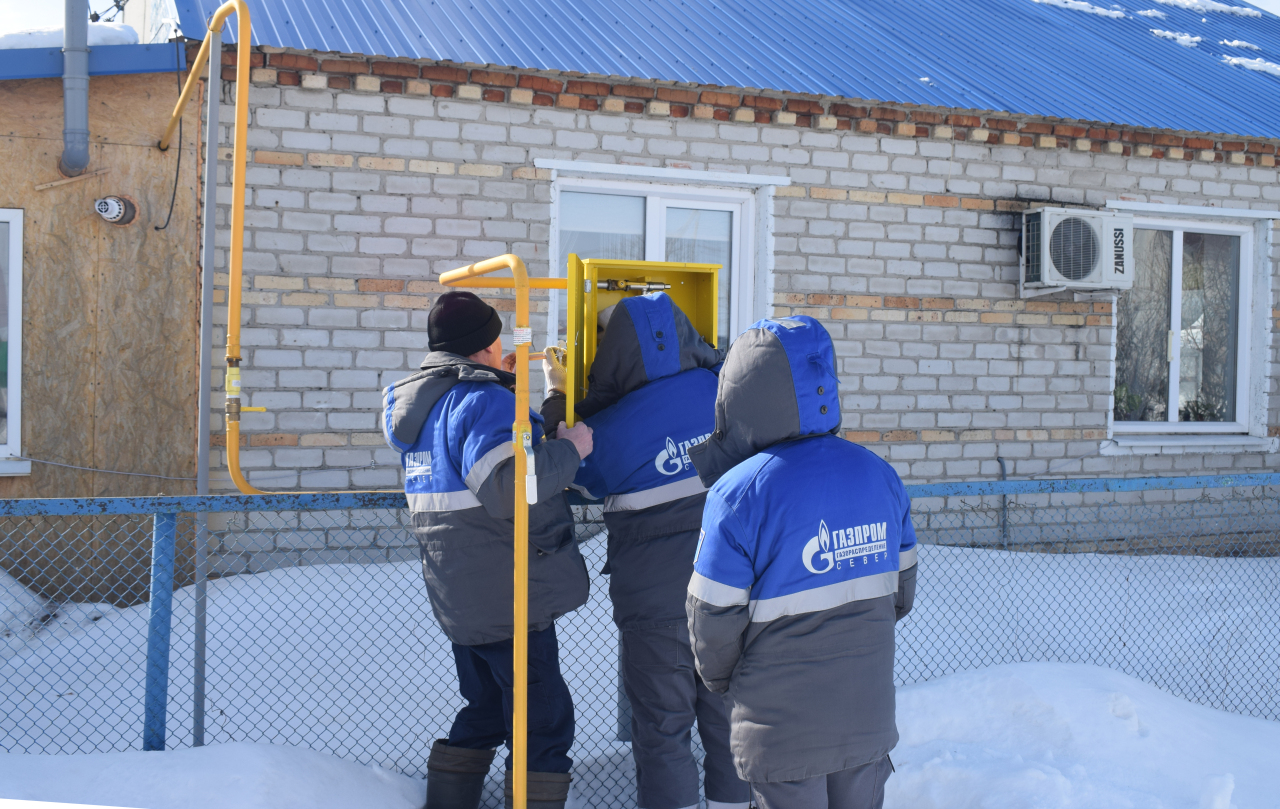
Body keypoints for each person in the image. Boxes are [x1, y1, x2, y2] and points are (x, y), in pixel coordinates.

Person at [684, 316, 919, 809]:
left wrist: (732, 684)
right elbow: (901, 596)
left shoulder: (737, 495)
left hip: (781, 728)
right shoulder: (881, 476)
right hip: (865, 718)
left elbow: (712, 627)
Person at [381, 290, 595, 809]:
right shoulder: (482, 400)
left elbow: (483, 466)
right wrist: (572, 449)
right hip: (510, 599)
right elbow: (505, 488)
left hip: (463, 597)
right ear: (485, 343)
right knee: (543, 725)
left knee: (486, 708)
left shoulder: (425, 407)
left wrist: (518, 391)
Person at [541, 292, 751, 809]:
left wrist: (558, 398)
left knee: (662, 729)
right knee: (728, 720)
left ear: (612, 353)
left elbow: (571, 469)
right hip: (732, 591)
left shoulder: (608, 428)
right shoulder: (728, 396)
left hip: (655, 603)